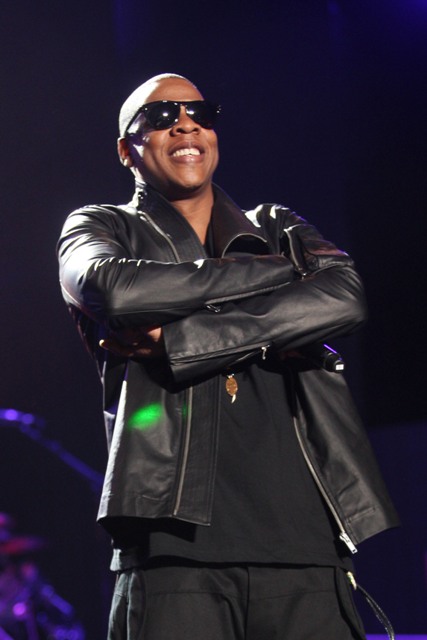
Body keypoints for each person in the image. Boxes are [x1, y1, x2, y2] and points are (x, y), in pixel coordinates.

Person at [57, 73, 399, 640]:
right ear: (126, 150)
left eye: (200, 113)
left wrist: (182, 342)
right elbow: (114, 291)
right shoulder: (101, 227)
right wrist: (273, 276)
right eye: (161, 117)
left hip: (305, 544)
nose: (185, 125)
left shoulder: (276, 227)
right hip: (172, 551)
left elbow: (346, 296)